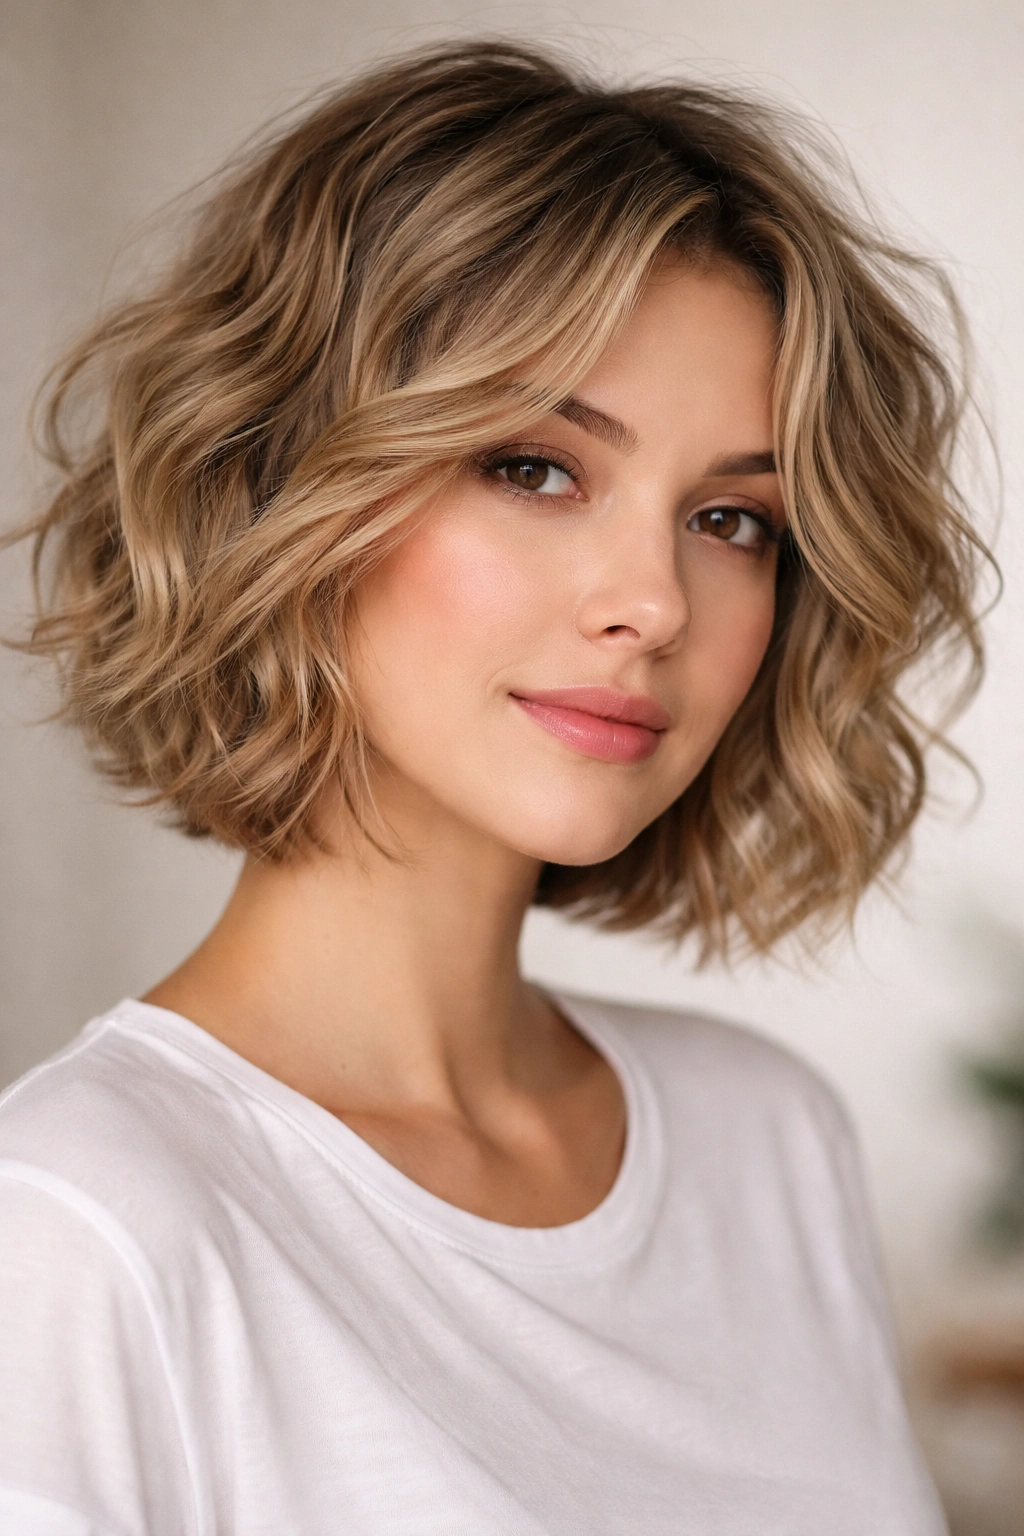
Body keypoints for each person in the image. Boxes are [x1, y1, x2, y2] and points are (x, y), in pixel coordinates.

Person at [0, 39, 987, 1535]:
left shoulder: (765, 1138)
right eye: (534, 468)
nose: (654, 601)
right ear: (282, 486)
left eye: (732, 517)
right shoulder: (75, 1230)